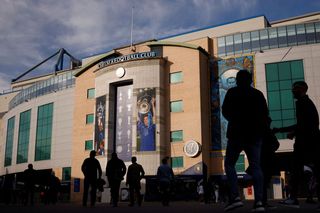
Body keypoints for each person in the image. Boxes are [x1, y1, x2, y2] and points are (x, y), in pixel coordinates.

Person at [222, 69, 269, 212]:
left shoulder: (232, 93)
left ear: (237, 80)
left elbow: (225, 111)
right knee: (256, 166)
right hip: (254, 136)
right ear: (250, 80)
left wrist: (235, 120)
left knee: (229, 164)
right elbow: (265, 115)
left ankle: (235, 197)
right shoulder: (258, 94)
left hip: (236, 134)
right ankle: (259, 202)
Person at [274, 81, 320, 209]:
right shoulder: (306, 103)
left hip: (305, 142)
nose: (292, 91)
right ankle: (293, 198)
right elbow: (307, 124)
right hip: (311, 141)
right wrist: (293, 132)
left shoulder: (303, 103)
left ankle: (293, 199)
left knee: (296, 169)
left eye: (294, 88)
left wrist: (282, 130)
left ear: (302, 89)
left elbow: (303, 125)